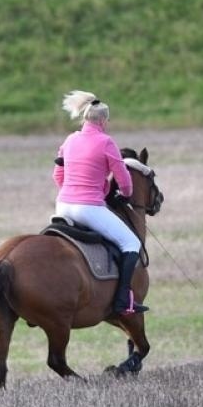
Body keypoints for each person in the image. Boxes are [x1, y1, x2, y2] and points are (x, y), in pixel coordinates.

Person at [52, 90, 147, 316]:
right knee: (131, 243)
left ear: (85, 118)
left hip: (62, 205)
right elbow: (123, 178)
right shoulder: (106, 142)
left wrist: (71, 190)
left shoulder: (70, 139)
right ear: (103, 120)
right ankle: (122, 301)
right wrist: (125, 193)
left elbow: (57, 175)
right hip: (89, 208)